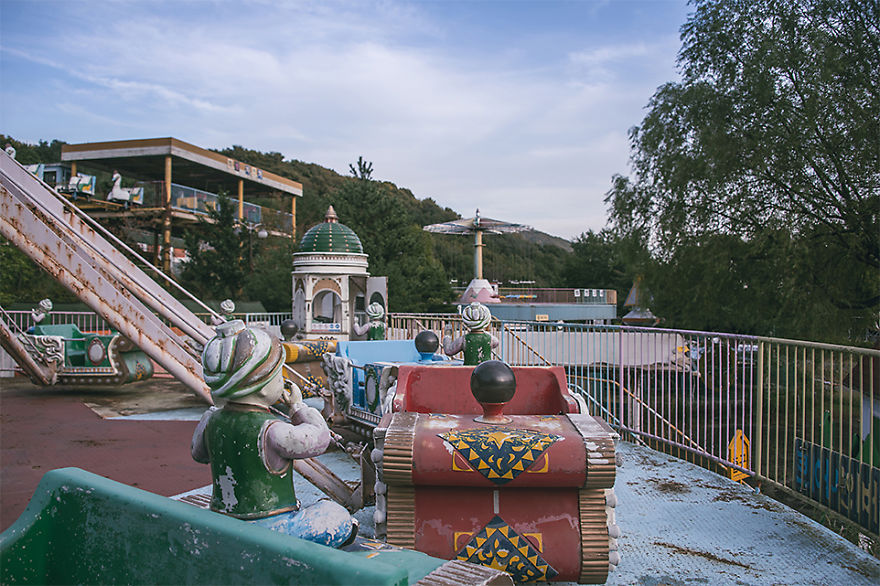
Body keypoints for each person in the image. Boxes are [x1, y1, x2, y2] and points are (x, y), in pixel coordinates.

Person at [191, 319, 356, 547]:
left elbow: (198, 454)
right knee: (334, 514)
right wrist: (298, 407)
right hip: (271, 527)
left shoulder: (211, 419)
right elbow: (319, 438)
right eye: (278, 376)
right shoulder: (272, 430)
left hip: (223, 518)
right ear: (263, 386)